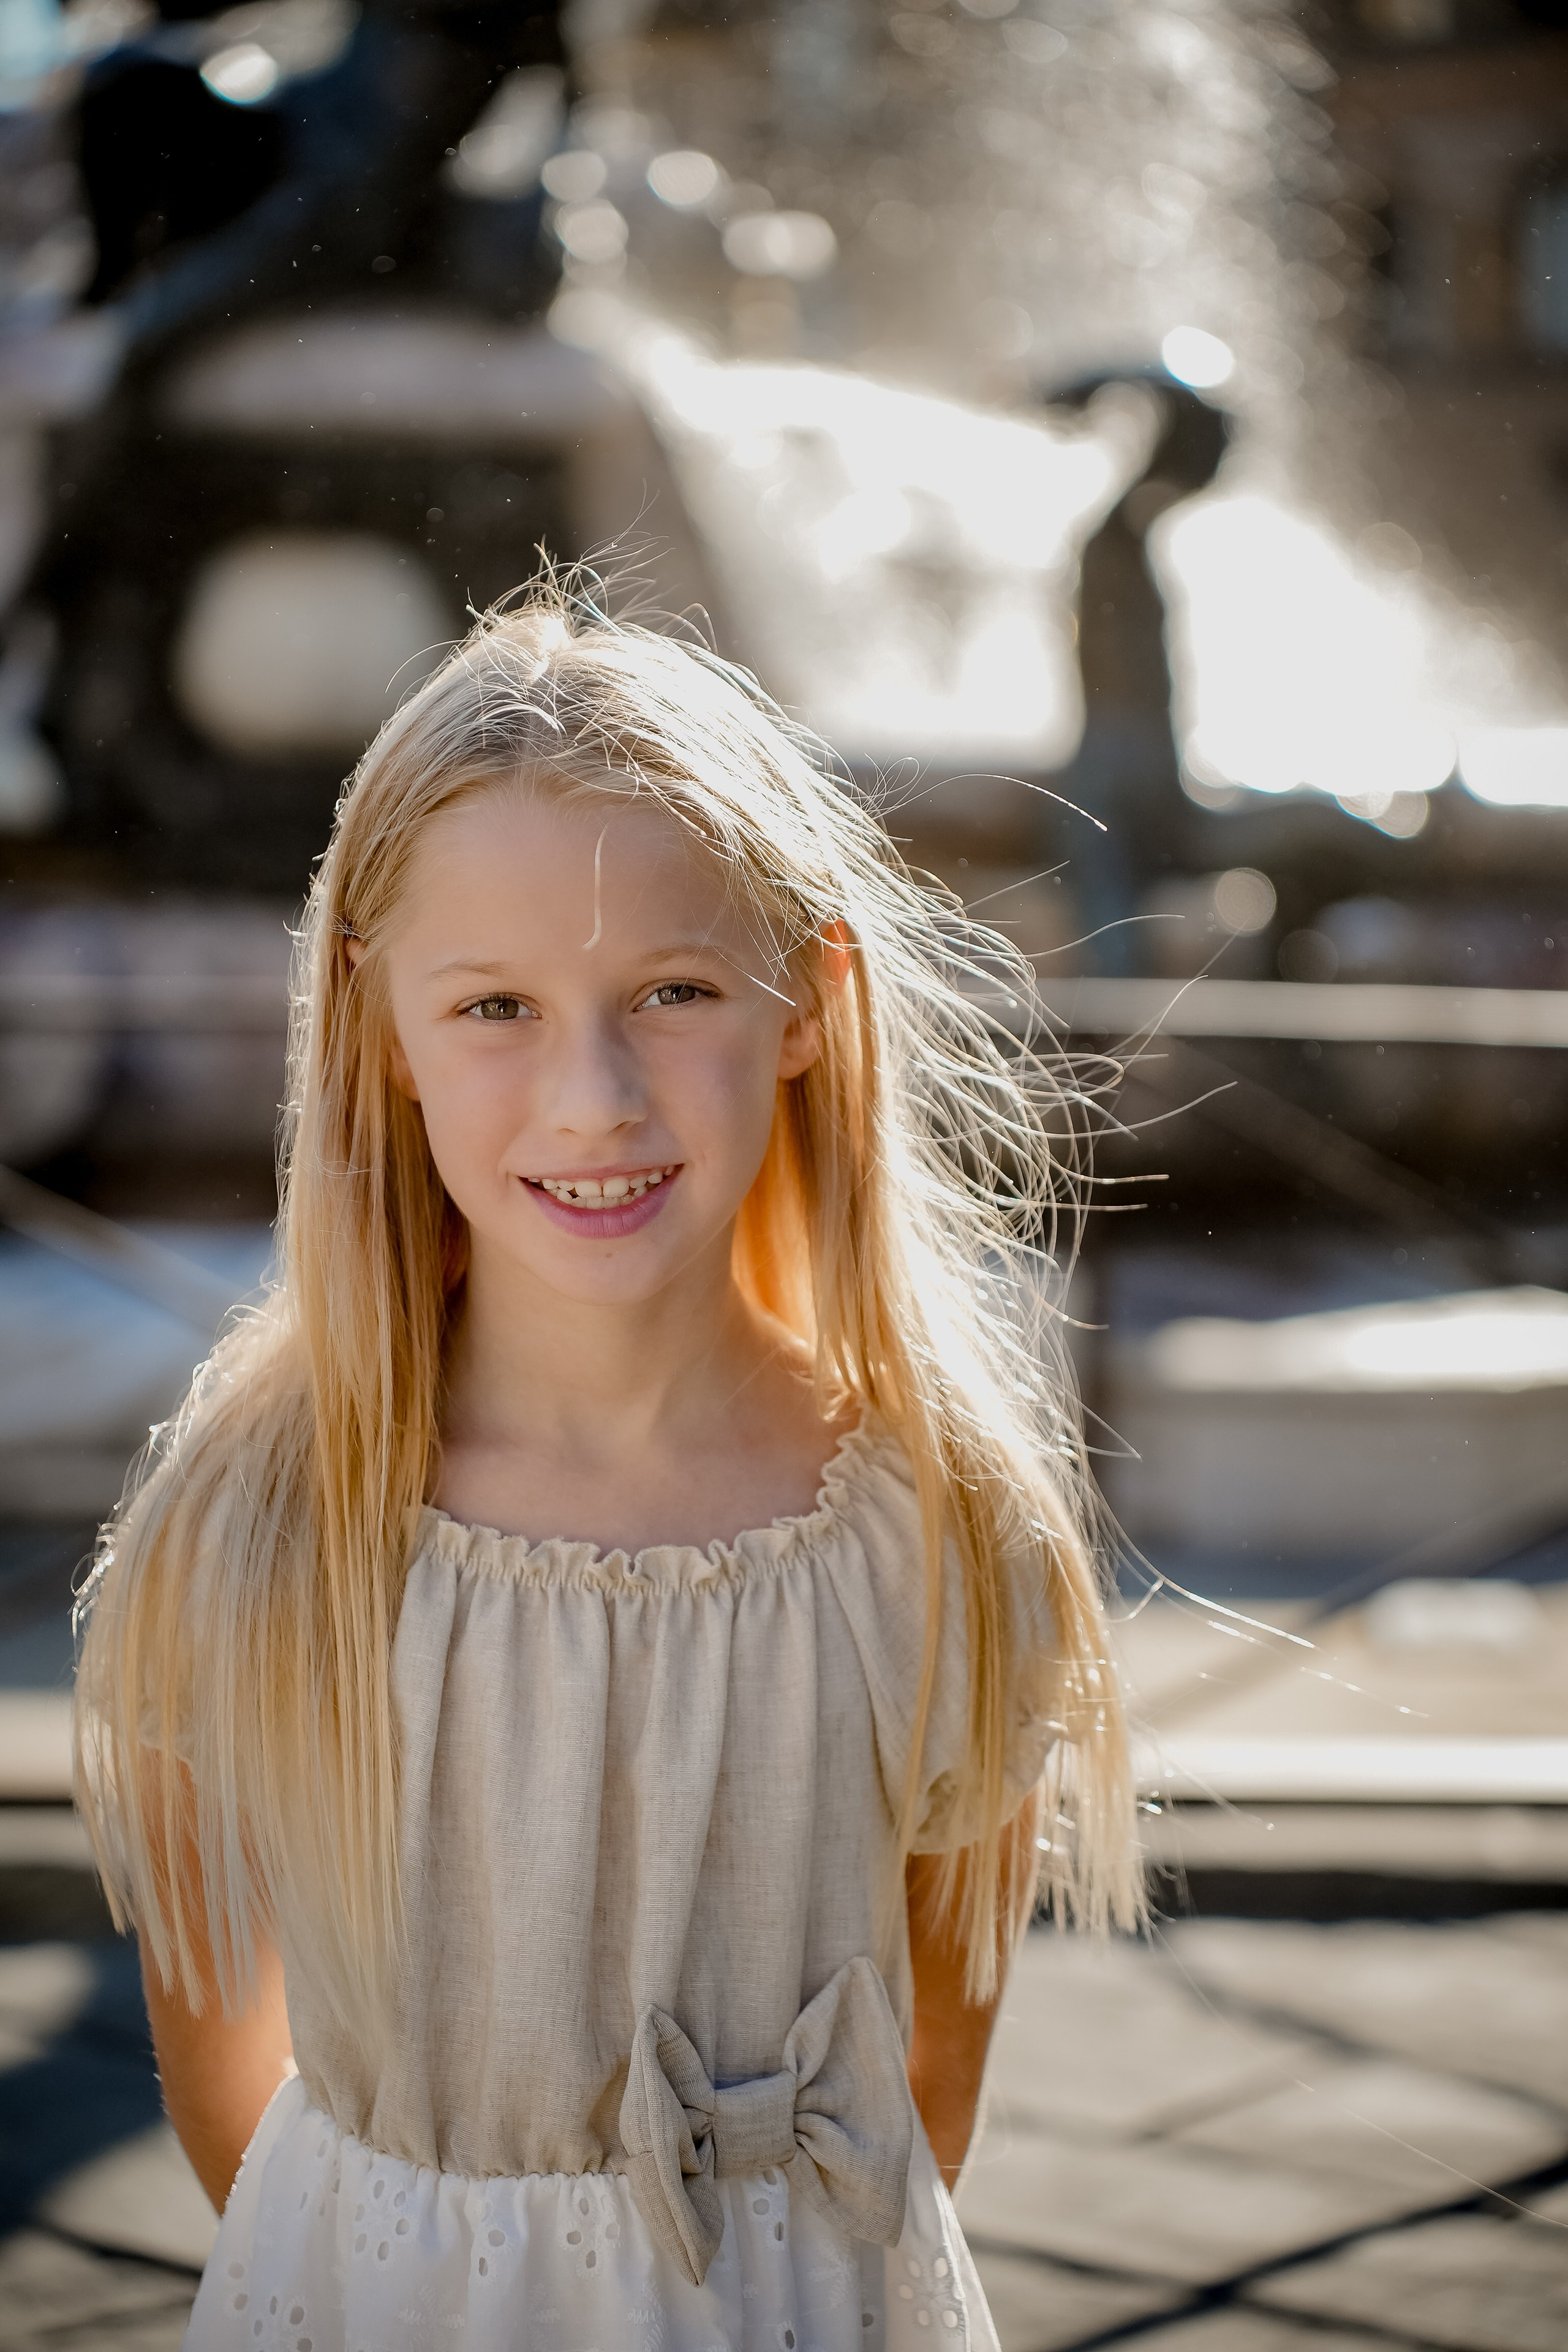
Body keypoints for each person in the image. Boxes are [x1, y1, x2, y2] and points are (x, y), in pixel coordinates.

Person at [74, 582, 1141, 2351]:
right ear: (377, 1025)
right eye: (494, 1006)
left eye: (672, 990)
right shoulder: (262, 1519)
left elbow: (933, 2072)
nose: (594, 1099)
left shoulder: (935, 1529)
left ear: (809, 999)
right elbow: (221, 2077)